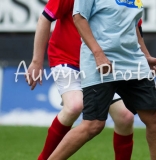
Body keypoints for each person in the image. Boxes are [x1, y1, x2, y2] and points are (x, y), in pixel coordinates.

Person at [47, 0, 156, 160]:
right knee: (93, 124)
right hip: (101, 63)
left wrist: (146, 55)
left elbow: (133, 24)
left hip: (133, 62)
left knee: (155, 117)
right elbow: (79, 18)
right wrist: (98, 54)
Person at [26, 0, 136, 159]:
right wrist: (36, 61)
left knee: (125, 117)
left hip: (97, 64)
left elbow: (131, 29)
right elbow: (45, 18)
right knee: (75, 106)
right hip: (66, 59)